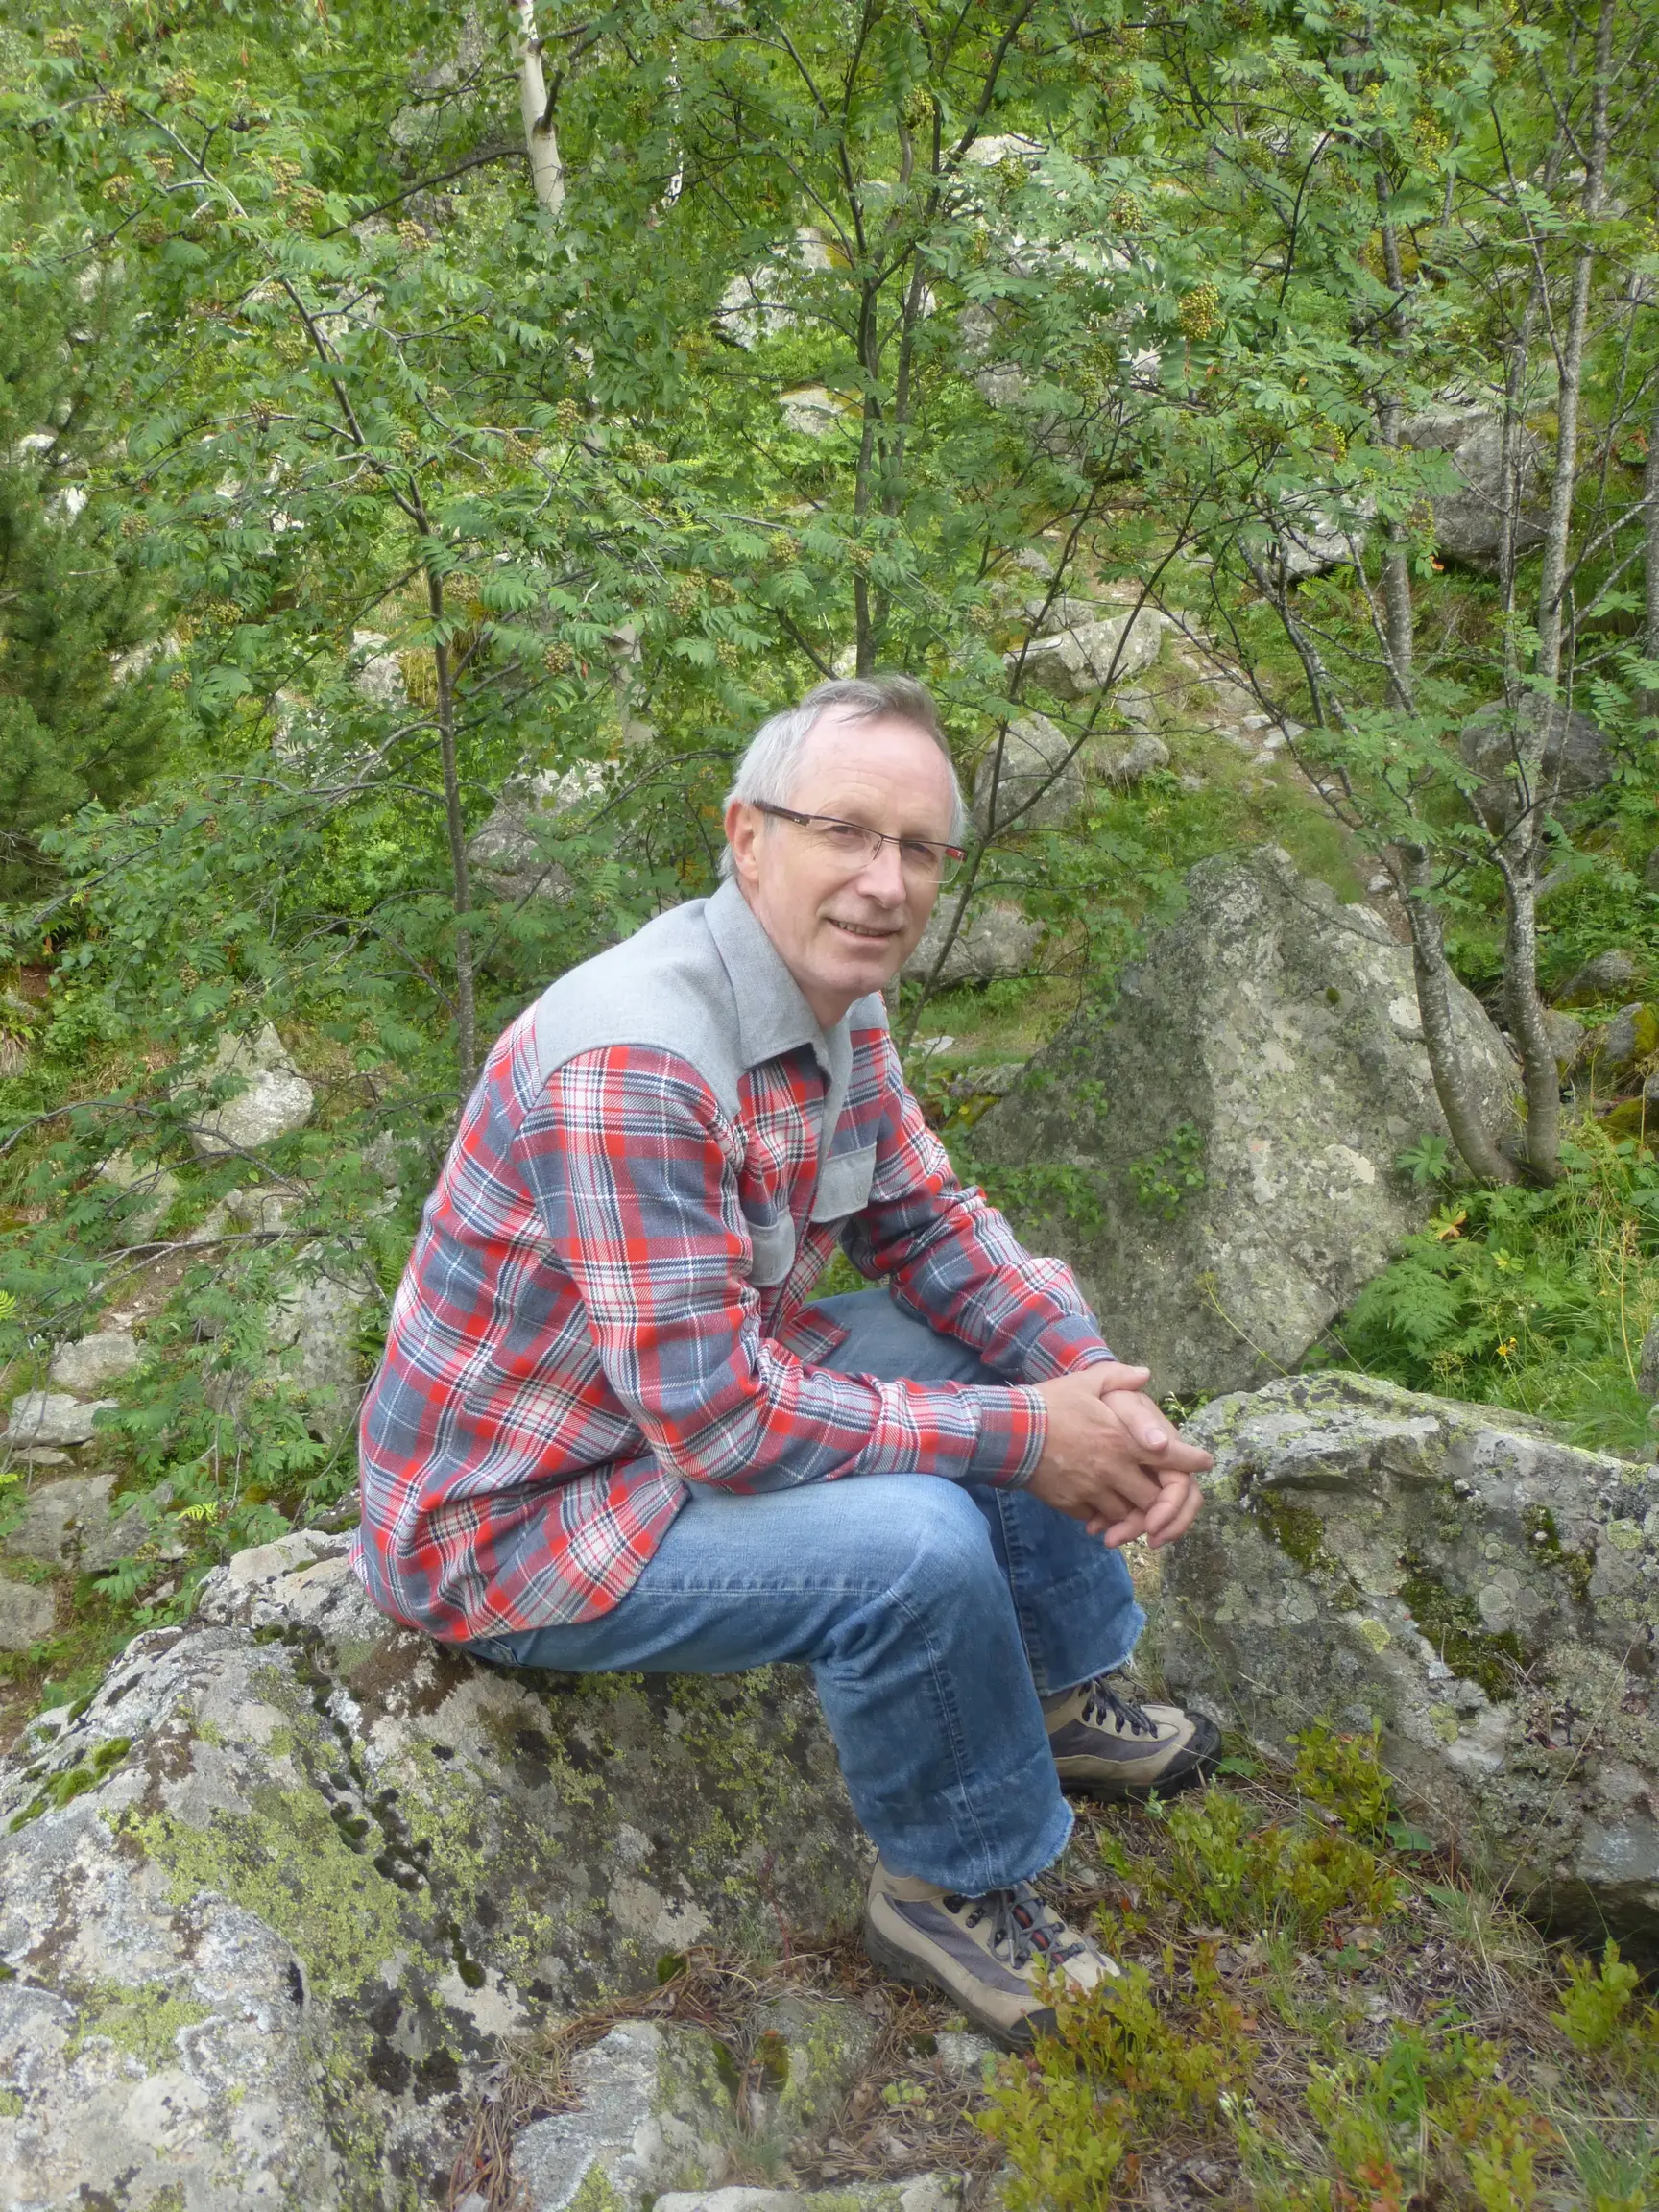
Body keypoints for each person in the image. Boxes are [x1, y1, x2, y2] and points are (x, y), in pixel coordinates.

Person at [353, 674, 1216, 2048]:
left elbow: (932, 1227)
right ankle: (949, 1882)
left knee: (987, 1352)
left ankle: (1053, 1692)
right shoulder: (639, 1057)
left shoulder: (830, 997)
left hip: (656, 1415)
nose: (886, 881)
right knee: (919, 1544)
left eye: (920, 848)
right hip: (520, 1519)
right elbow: (720, 1427)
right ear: (746, 835)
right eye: (846, 834)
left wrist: (1097, 1388)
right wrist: (1022, 1436)